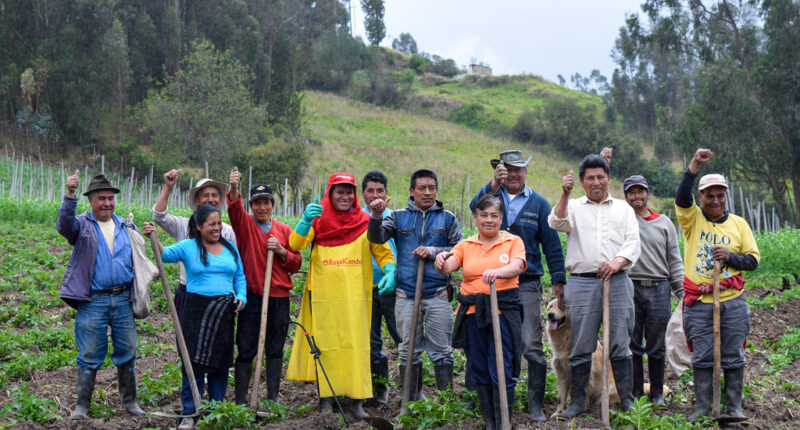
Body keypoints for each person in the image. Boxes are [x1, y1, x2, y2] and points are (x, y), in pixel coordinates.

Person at [285, 173, 396, 420]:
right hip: (323, 297)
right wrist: (305, 221)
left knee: (356, 347)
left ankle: (357, 401)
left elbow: (383, 252)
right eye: (339, 192)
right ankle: (327, 399)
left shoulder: (366, 221)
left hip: (356, 298)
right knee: (325, 346)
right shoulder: (318, 219)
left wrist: (390, 270)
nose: (345, 197)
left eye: (349, 192)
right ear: (330, 194)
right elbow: (295, 244)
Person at [470, 150, 565, 421]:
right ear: (499, 171)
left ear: (526, 172)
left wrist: (558, 279)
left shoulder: (538, 204)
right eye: (507, 169)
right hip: (489, 281)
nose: (513, 174)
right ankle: (481, 399)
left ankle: (535, 404)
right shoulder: (491, 195)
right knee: (484, 337)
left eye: (518, 169)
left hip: (525, 283)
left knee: (530, 343)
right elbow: (474, 207)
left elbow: (551, 244)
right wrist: (493, 185)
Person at [548, 154, 641, 417]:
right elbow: (556, 222)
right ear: (581, 181)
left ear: (609, 179)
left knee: (620, 342)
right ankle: (577, 401)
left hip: (618, 280)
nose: (596, 182)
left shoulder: (623, 209)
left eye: (601, 177)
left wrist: (617, 261)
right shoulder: (574, 206)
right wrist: (565, 194)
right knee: (581, 343)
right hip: (582, 283)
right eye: (590, 178)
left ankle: (626, 399)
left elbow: (633, 242)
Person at [143, 205, 246, 430]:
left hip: (223, 311)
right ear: (199, 227)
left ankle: (217, 409)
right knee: (193, 362)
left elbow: (239, 276)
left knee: (220, 363)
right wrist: (154, 236)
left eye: (219, 223)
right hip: (196, 310)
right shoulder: (189, 247)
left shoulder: (230, 248)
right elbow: (165, 254)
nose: (217, 228)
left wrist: (241, 296)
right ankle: (190, 412)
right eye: (211, 224)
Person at [675, 149, 759, 421]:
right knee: (702, 357)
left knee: (734, 354)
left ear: (726, 197)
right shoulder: (692, 220)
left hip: (732, 301)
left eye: (719, 195)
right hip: (699, 303)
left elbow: (753, 261)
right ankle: (702, 408)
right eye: (709, 195)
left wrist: (730, 256)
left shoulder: (739, 224)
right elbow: (680, 196)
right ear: (700, 198)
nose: (714, 200)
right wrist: (695, 165)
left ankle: (734, 407)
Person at [57, 171, 146, 420]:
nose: (107, 203)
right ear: (91, 201)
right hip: (93, 300)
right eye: (102, 199)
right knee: (89, 353)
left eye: (111, 198)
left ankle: (130, 402)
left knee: (127, 350)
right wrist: (70, 195)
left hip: (122, 299)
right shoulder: (81, 225)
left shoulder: (125, 225)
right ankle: (82, 406)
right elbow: (64, 225)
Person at [367, 169, 462, 400]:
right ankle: (412, 402)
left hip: (438, 292)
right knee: (409, 350)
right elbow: (376, 238)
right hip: (406, 294)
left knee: (441, 351)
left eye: (432, 187)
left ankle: (445, 404)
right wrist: (376, 216)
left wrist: (433, 251)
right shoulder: (398, 216)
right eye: (422, 188)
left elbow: (459, 250)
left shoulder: (447, 218)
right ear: (412, 191)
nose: (428, 192)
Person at [436, 194, 525, 429]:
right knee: (479, 366)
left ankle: (504, 421)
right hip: (472, 312)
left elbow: (516, 266)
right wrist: (441, 259)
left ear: (501, 218)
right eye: (483, 215)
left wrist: (499, 272)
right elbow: (450, 264)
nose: (489, 220)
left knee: (501, 366)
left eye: (494, 215)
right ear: (475, 218)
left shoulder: (512, 241)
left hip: (502, 311)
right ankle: (490, 422)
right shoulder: (466, 245)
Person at [227, 168, 302, 404]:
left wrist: (281, 251)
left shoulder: (284, 231)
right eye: (257, 203)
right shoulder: (245, 225)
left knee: (275, 348)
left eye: (266, 203)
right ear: (251, 206)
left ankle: (271, 399)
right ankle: (241, 400)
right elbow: (234, 210)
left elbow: (296, 263)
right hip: (253, 296)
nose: (262, 207)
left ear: (273, 205)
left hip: (278, 298)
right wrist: (235, 189)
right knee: (247, 348)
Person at [623, 174, 684, 406]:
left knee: (657, 345)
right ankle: (637, 394)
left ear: (647, 194)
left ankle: (657, 393)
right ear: (626, 196)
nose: (636, 196)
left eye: (640, 192)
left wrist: (682, 293)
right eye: (631, 192)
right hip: (631, 287)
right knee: (633, 344)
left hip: (659, 288)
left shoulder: (664, 223)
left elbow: (674, 261)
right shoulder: (623, 221)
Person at [152, 169, 236, 318]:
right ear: (197, 200)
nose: (211, 199)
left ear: (220, 200)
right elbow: (159, 216)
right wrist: (168, 187)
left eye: (214, 195)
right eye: (205, 195)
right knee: (186, 338)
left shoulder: (227, 231)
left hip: (219, 295)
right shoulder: (183, 225)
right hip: (188, 293)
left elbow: (236, 266)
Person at [361, 171, 400, 405]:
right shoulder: (357, 218)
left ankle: (413, 393)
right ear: (363, 194)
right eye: (370, 191)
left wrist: (394, 274)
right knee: (371, 341)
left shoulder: (395, 217)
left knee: (402, 338)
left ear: (386, 193)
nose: (375, 195)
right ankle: (380, 390)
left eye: (380, 191)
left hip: (392, 287)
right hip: (365, 288)